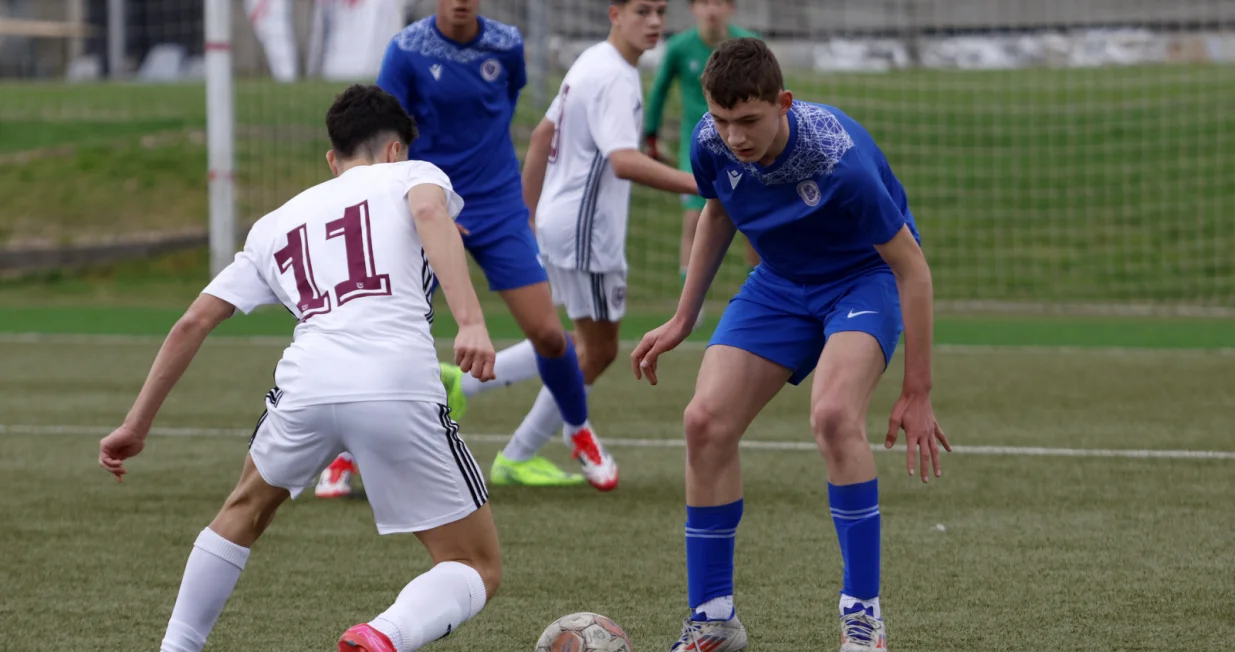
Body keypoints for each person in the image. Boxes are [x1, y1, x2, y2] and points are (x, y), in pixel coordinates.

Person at [98, 84, 501, 652]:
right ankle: (384, 636)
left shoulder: (275, 222)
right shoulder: (413, 176)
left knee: (243, 510)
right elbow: (431, 210)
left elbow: (192, 322)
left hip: (306, 384)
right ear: (395, 151)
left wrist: (135, 425)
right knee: (474, 564)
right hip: (395, 383)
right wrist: (471, 321)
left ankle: (176, 649)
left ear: (333, 160)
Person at [631, 39, 951, 651]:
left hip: (863, 278)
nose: (735, 137)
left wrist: (918, 390)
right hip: (780, 283)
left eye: (749, 121)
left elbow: (913, 270)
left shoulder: (837, 160)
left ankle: (863, 617)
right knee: (704, 421)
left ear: (784, 103)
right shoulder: (708, 139)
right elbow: (717, 210)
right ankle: (714, 619)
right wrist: (683, 317)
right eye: (723, 121)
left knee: (833, 416)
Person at [315, 0, 600, 495]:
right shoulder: (405, 51)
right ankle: (343, 455)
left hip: (497, 205)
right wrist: (427, 203)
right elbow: (381, 139)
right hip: (424, 201)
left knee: (550, 336)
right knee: (380, 333)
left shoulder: (507, 44)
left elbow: (502, 107)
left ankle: (578, 432)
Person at [504, 0, 700, 491]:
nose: (655, 22)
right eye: (642, 11)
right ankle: (522, 452)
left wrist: (527, 215)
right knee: (600, 350)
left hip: (564, 222)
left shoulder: (592, 60)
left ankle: (464, 384)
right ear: (614, 13)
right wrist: (700, 183)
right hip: (586, 233)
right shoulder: (613, 76)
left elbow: (542, 135)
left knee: (570, 340)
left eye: (660, 12)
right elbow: (624, 162)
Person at [644, 0, 760, 324]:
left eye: (719, 3)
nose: (711, 10)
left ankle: (762, 296)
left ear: (731, 8)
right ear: (693, 8)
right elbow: (660, 91)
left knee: (752, 221)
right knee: (695, 220)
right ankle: (689, 305)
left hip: (743, 143)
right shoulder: (680, 47)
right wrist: (650, 135)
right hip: (698, 147)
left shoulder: (747, 44)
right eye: (704, 3)